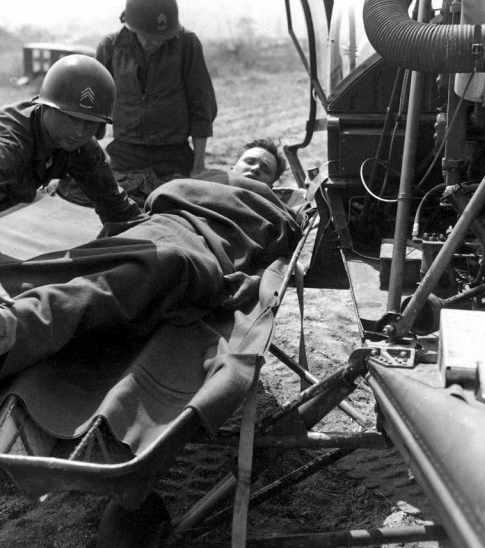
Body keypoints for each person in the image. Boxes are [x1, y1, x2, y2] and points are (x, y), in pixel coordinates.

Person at [0, 142, 299, 383]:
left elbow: (278, 254)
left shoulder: (271, 205)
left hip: (198, 253)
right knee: (79, 260)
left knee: (140, 270)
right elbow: (161, 198)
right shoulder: (209, 179)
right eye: (250, 160)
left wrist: (252, 278)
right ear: (233, 165)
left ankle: (20, 324)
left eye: (265, 168)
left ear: (274, 183)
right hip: (160, 227)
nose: (256, 167)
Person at [86, 0, 216, 206]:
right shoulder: (111, 47)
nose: (155, 43)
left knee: (177, 207)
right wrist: (94, 154)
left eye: (161, 38)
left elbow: (201, 106)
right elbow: (93, 108)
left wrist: (198, 166)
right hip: (125, 154)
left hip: (174, 155)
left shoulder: (187, 45)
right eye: (148, 36)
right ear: (130, 26)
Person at [0, 54, 141, 224]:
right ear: (46, 107)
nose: (79, 132)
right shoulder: (9, 149)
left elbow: (117, 210)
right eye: (71, 118)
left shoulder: (81, 147)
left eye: (90, 123)